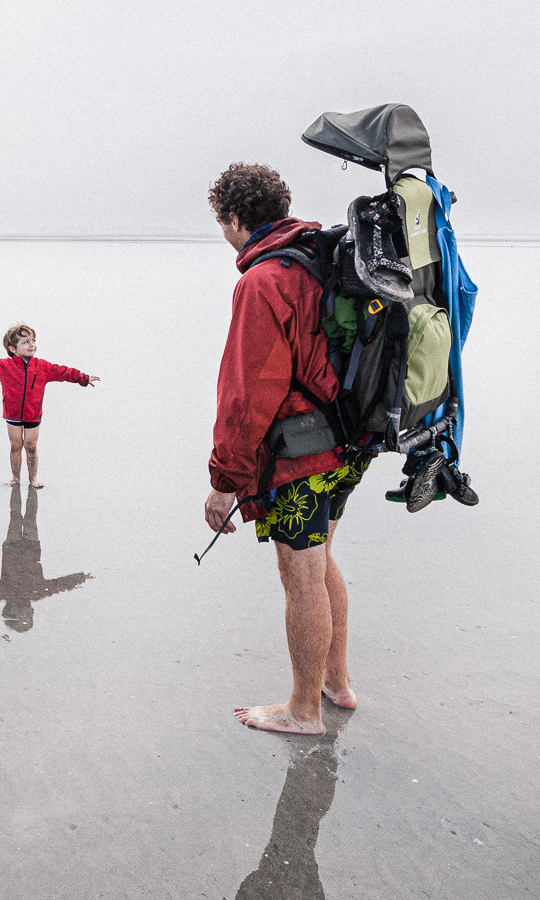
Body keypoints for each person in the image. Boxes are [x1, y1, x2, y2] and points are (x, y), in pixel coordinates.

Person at [203, 163, 371, 736]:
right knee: (321, 560)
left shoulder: (263, 281)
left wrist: (225, 482)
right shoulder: (321, 254)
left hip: (304, 452)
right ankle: (337, 682)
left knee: (300, 572)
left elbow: (248, 395)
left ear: (231, 219)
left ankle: (304, 711)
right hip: (351, 439)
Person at [0, 324, 99, 488]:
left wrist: (83, 378)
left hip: (33, 413)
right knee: (16, 445)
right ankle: (15, 477)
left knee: (31, 446)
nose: (32, 344)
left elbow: (63, 372)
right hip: (12, 413)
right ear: (12, 348)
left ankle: (33, 479)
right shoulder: (4, 366)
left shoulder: (42, 367)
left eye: (33, 340)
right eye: (25, 342)